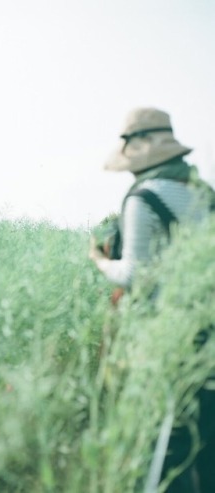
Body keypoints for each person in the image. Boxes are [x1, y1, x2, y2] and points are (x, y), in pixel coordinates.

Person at [89, 107, 215, 493]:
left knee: (165, 443)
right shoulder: (202, 192)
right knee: (204, 443)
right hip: (208, 331)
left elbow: (134, 275)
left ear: (138, 153)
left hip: (169, 337)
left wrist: (99, 261)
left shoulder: (143, 197)